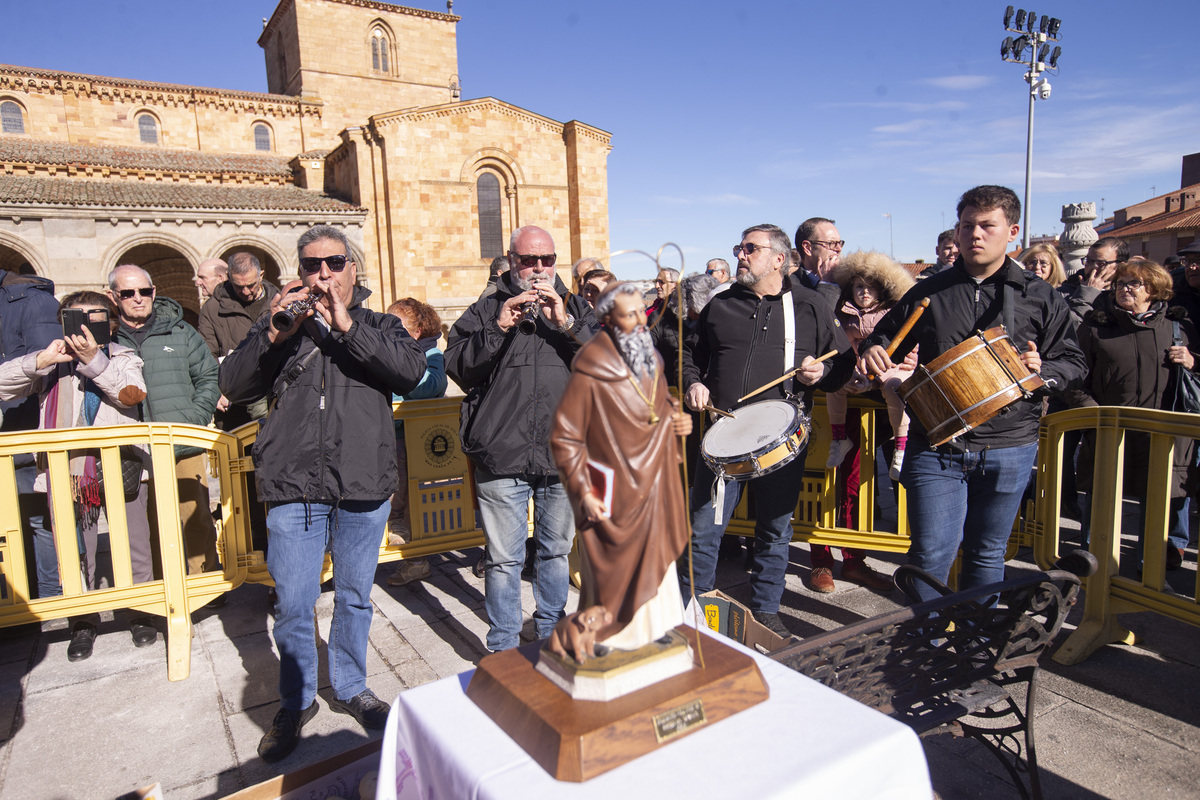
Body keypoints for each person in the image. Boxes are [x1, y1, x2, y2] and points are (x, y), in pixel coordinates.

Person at [220, 224, 426, 762]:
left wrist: (348, 324)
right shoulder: (282, 323)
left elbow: (408, 373)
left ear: (352, 268)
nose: (323, 275)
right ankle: (298, 698)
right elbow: (235, 386)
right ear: (299, 270)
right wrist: (271, 332)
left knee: (355, 597)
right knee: (293, 602)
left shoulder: (380, 324)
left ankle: (352, 687)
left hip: (362, 481)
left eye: (334, 263)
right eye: (312, 265)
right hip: (293, 484)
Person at [860, 185, 1087, 602]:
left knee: (986, 553)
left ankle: (975, 641)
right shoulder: (928, 290)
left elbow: (1073, 362)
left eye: (987, 225)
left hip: (1010, 446)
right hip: (936, 445)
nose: (974, 235)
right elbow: (884, 335)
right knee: (930, 553)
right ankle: (922, 640)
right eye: (966, 226)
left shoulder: (1040, 295)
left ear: (1012, 231)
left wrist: (1044, 371)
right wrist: (872, 346)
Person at [680, 223, 854, 636]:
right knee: (705, 527)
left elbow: (842, 364)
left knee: (775, 529)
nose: (741, 255)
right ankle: (694, 609)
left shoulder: (810, 306)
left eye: (750, 249)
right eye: (739, 248)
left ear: (779, 258)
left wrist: (822, 373)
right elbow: (689, 355)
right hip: (721, 437)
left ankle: (766, 610)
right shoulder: (720, 304)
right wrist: (693, 382)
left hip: (781, 440)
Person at [445, 224, 596, 652]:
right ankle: (504, 645)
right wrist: (498, 326)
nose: (538, 268)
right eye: (528, 260)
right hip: (500, 451)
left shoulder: (576, 307)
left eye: (547, 260)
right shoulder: (486, 306)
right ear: (512, 261)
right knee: (504, 558)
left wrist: (566, 324)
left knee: (554, 553)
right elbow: (458, 365)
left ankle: (550, 632)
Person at [0, 291, 152, 661]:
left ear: (109, 321)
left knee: (134, 546)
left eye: (95, 317)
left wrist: (94, 360)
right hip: (67, 470)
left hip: (121, 464)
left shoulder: (123, 356)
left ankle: (140, 611)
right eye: (76, 318)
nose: (85, 325)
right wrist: (42, 358)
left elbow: (131, 395)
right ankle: (82, 620)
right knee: (75, 548)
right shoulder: (52, 363)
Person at [550, 282, 692, 649]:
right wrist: (584, 490)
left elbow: (658, 408)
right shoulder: (592, 368)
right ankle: (617, 638)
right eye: (630, 315)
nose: (641, 323)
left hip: (656, 481)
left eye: (641, 313)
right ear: (608, 320)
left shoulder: (650, 358)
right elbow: (566, 436)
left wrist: (677, 421)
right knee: (615, 569)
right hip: (616, 489)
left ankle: (654, 629)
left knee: (659, 561)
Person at [1071, 260, 1197, 570]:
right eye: (1120, 283)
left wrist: (1192, 361)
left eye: (1134, 283)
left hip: (1163, 435)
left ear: (1155, 290)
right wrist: (1096, 416)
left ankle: (1150, 571)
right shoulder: (1096, 327)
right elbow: (1074, 379)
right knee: (1101, 502)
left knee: (1156, 506)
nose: (1124, 288)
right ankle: (1093, 570)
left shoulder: (1179, 328)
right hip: (1109, 432)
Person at [109, 265, 221, 578]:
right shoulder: (108, 337)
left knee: (194, 516)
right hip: (133, 450)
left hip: (181, 442)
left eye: (144, 291)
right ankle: (161, 585)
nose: (137, 299)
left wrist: (194, 419)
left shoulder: (181, 331)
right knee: (145, 522)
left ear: (154, 292)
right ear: (113, 297)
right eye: (128, 293)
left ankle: (204, 579)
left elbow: (209, 375)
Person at [824, 250, 917, 486]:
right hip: (860, 370)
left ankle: (900, 446)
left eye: (871, 287)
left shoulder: (894, 312)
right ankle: (839, 438)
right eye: (859, 287)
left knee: (896, 388)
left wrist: (911, 357)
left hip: (891, 369)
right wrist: (852, 371)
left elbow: (912, 341)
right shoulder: (843, 312)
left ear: (881, 290)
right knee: (835, 384)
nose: (864, 292)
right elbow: (840, 346)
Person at [1, 267, 62, 601]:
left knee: (37, 517)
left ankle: (48, 595)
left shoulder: (31, 301)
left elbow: (47, 373)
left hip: (21, 429)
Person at [385, 297, 448, 587]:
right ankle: (413, 559)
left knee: (409, 499)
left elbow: (432, 385)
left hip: (413, 437)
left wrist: (398, 379)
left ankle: (417, 559)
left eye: (397, 326)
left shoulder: (432, 353)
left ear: (417, 330)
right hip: (390, 433)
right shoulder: (386, 350)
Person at [197, 252, 279, 430]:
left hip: (276, 399)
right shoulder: (212, 309)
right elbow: (205, 355)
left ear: (261, 275)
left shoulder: (278, 301)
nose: (246, 291)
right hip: (234, 403)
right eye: (238, 286)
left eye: (251, 285)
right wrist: (217, 390)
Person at [1061, 237, 1128, 325]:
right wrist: (1087, 293)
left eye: (1101, 264)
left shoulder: (1127, 293)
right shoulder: (1063, 293)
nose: (1092, 267)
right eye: (1088, 261)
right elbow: (1069, 327)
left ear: (1120, 266)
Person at [794, 217, 844, 303]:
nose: (839, 249)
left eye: (839, 243)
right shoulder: (791, 287)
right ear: (808, 248)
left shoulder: (846, 283)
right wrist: (827, 284)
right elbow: (816, 316)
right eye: (831, 243)